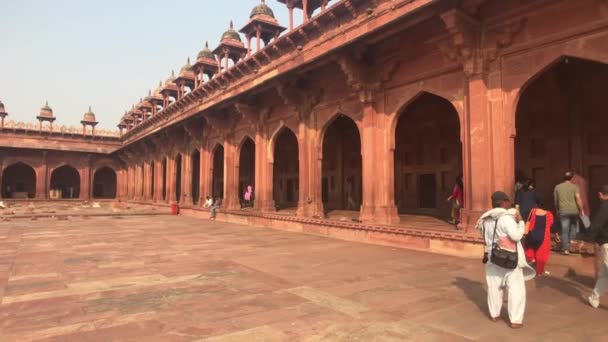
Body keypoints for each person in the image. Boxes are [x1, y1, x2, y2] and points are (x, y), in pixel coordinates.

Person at [476, 191, 535, 329]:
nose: (510, 204)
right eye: (508, 201)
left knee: (494, 286)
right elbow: (516, 236)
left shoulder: (485, 219)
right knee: (516, 288)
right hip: (509, 257)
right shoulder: (506, 218)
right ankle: (515, 319)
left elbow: (483, 236)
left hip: (493, 256)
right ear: (503, 203)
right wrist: (520, 222)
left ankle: (494, 314)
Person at [581, 185, 608, 308]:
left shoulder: (605, 207)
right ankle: (594, 297)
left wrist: (587, 239)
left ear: (601, 194)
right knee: (604, 274)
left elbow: (596, 225)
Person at [554, 171, 586, 254]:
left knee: (564, 230)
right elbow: (578, 199)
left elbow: (556, 201)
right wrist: (581, 209)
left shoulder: (557, 187)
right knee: (574, 226)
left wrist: (557, 210)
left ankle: (566, 249)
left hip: (563, 211)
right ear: (572, 178)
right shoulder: (575, 187)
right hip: (574, 211)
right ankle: (571, 239)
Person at [524, 207, 554, 276]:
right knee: (541, 255)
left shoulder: (532, 211)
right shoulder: (549, 214)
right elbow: (551, 224)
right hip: (542, 236)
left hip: (531, 235)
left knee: (530, 248)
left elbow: (527, 219)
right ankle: (539, 272)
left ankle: (532, 259)